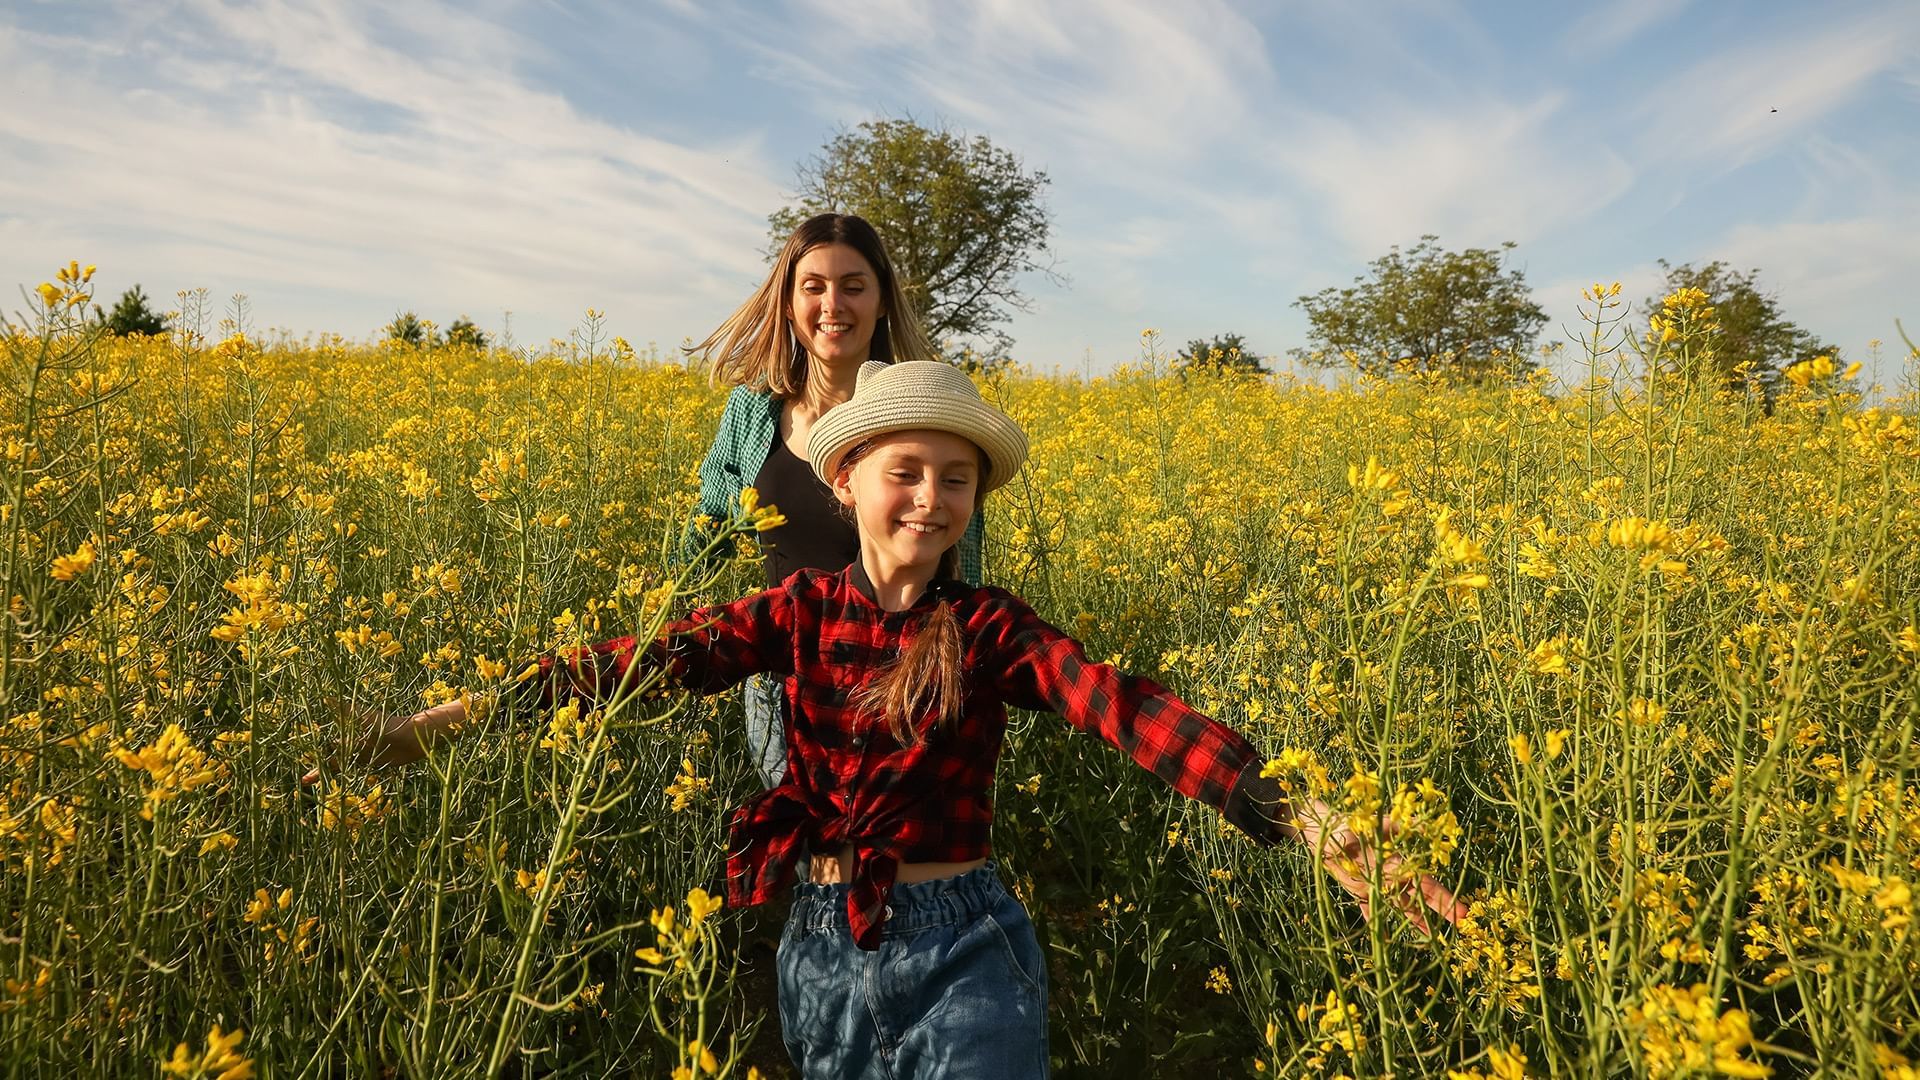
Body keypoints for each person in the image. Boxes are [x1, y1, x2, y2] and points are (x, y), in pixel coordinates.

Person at [334, 362, 1466, 1079]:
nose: (932, 497)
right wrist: (468, 714)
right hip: (818, 946)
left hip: (966, 949)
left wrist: (1310, 821)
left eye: (957, 480)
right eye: (907, 470)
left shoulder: (991, 630)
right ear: (848, 484)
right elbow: (648, 663)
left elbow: (1131, 714)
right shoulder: (795, 611)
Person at [681, 213, 984, 788]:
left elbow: (959, 564)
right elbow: (708, 530)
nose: (832, 305)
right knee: (809, 862)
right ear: (789, 302)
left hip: (897, 680)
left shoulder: (922, 412)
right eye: (813, 286)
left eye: (853, 286)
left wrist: (947, 681)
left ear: (882, 301)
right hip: (781, 679)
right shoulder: (753, 412)